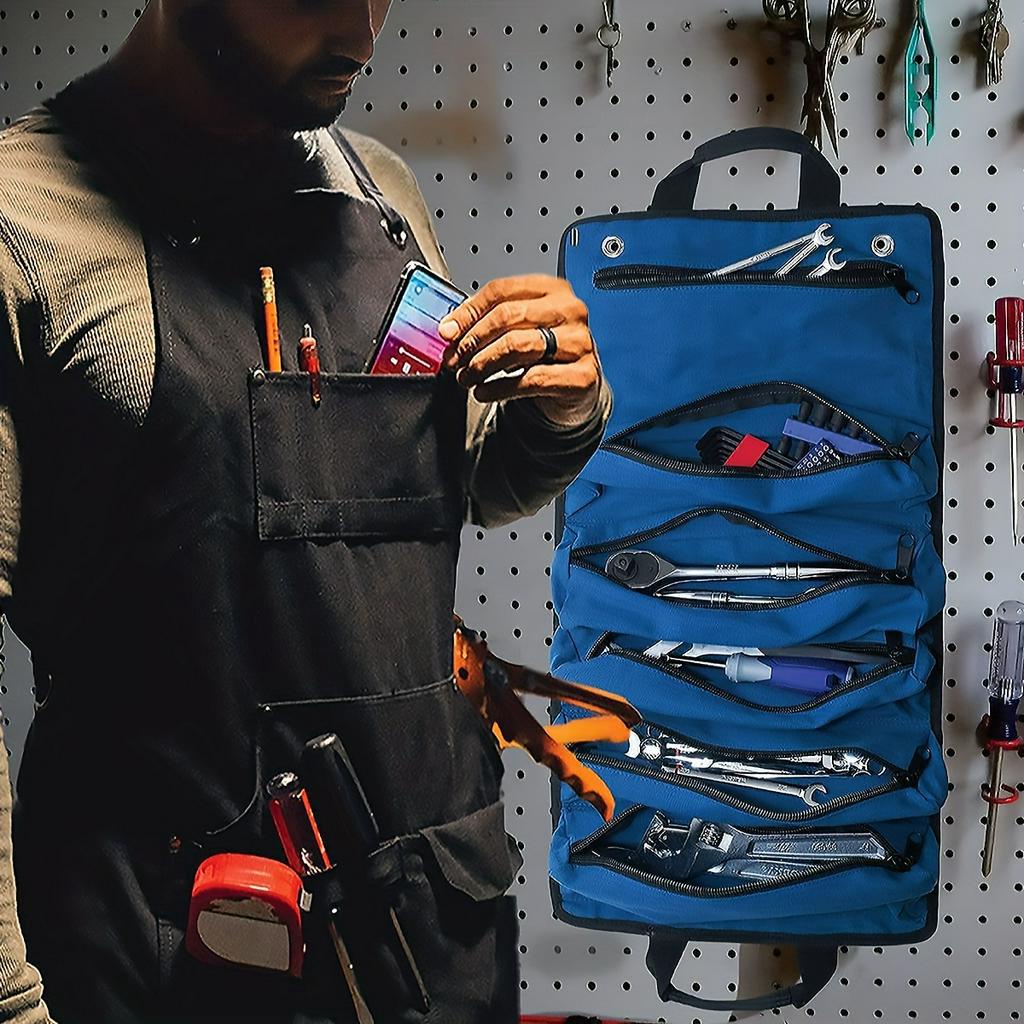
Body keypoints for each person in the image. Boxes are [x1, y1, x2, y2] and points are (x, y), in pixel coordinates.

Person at [0, 1, 611, 1020]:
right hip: (171, 953)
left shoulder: (378, 192)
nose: (363, 33)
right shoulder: (23, 228)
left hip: (432, 933)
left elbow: (450, 490)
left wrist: (560, 414)